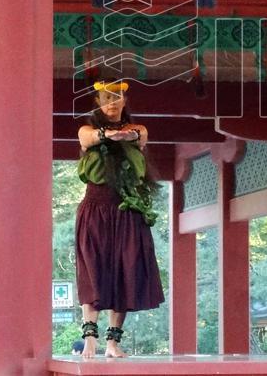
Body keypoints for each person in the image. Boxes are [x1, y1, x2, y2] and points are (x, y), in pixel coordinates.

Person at [75, 81, 164, 358]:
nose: (112, 103)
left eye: (118, 98)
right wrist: (107, 135)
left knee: (126, 268)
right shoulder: (87, 130)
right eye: (107, 98)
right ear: (98, 102)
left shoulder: (137, 130)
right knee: (93, 268)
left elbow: (139, 136)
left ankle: (113, 341)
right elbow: (88, 139)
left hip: (128, 207)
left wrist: (123, 136)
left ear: (125, 101)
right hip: (96, 209)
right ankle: (90, 335)